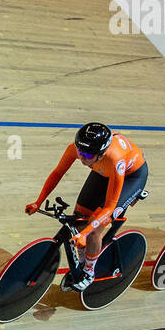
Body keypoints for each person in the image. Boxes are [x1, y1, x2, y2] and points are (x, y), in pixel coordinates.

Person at [25, 122, 148, 292]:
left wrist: (86, 233)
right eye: (80, 153)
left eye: (87, 156)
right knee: (79, 220)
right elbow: (57, 174)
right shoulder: (76, 150)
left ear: (101, 153)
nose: (82, 159)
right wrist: (38, 201)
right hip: (103, 172)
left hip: (131, 178)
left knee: (93, 231)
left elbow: (109, 207)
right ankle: (85, 260)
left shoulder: (115, 159)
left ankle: (89, 273)